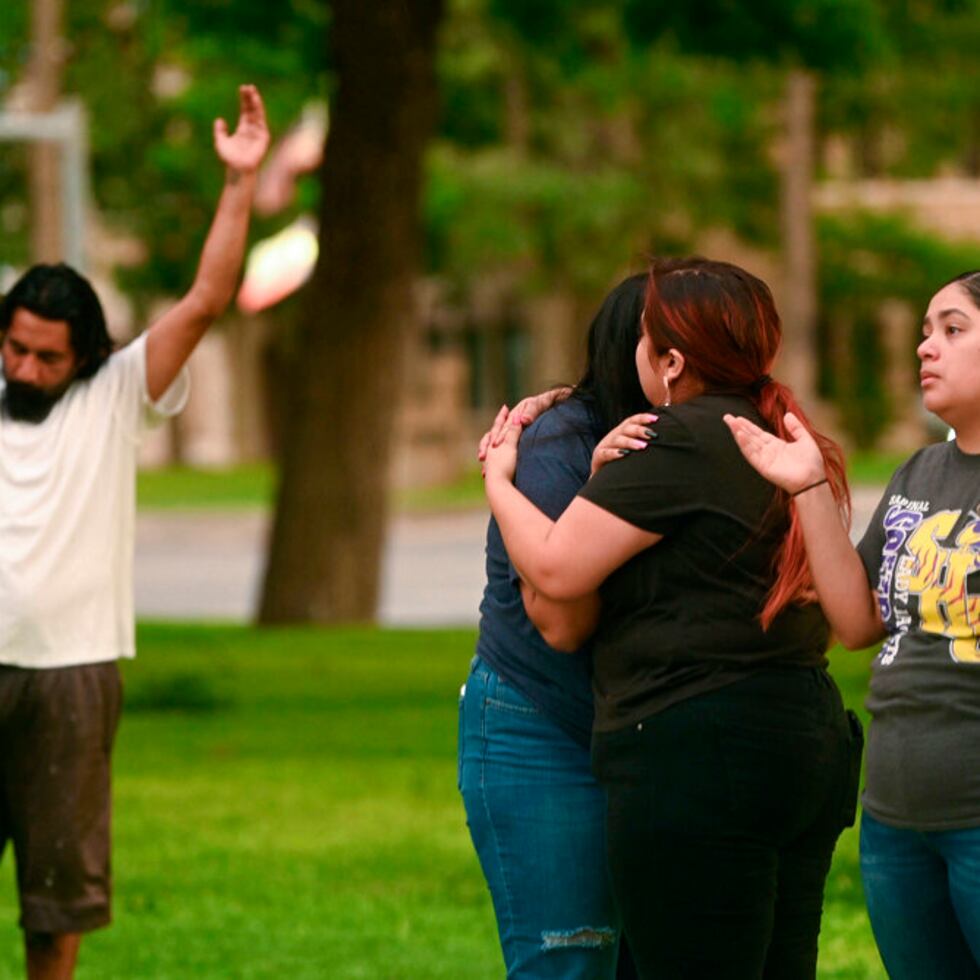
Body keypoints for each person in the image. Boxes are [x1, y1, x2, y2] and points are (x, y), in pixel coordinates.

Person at [481, 257, 862, 979]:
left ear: (672, 360)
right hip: (803, 741)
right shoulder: (777, 433)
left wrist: (500, 480)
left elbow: (558, 570)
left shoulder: (675, 437)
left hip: (699, 756)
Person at [0, 84, 269, 979]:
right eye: (16, 348)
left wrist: (238, 186)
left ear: (83, 355)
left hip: (70, 674)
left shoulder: (117, 396)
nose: (28, 367)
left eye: (47, 356)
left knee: (57, 894)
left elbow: (204, 298)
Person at [725, 269, 980, 979]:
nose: (926, 348)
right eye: (926, 332)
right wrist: (806, 485)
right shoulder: (916, 475)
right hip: (897, 821)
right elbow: (856, 619)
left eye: (953, 330)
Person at [460, 274, 653, 978]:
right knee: (570, 961)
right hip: (542, 720)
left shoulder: (706, 440)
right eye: (674, 345)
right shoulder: (559, 446)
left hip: (642, 734)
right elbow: (561, 622)